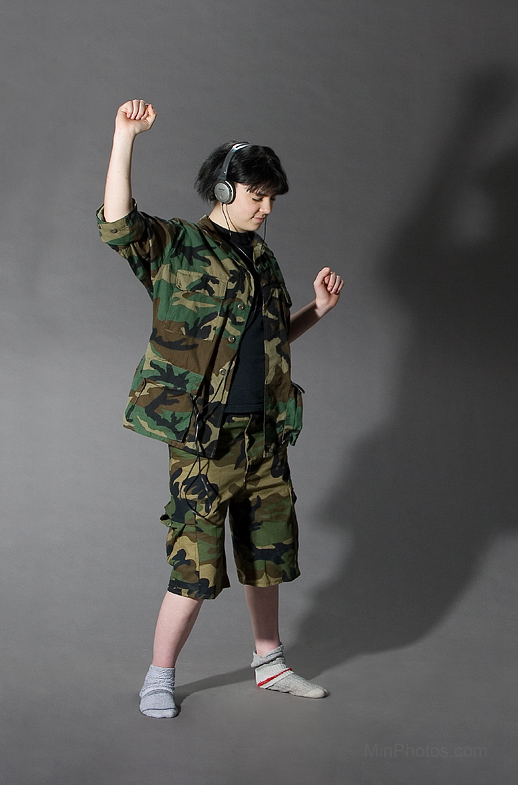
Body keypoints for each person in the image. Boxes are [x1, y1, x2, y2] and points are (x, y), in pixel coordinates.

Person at [97, 99, 344, 718]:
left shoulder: (262, 258)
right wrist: (125, 136)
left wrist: (316, 311)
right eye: (258, 196)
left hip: (264, 435)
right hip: (204, 441)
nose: (267, 209)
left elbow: (269, 340)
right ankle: (159, 677)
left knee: (268, 557)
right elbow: (118, 224)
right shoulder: (178, 245)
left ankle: (270, 664)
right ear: (226, 190)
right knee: (195, 565)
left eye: (272, 199)